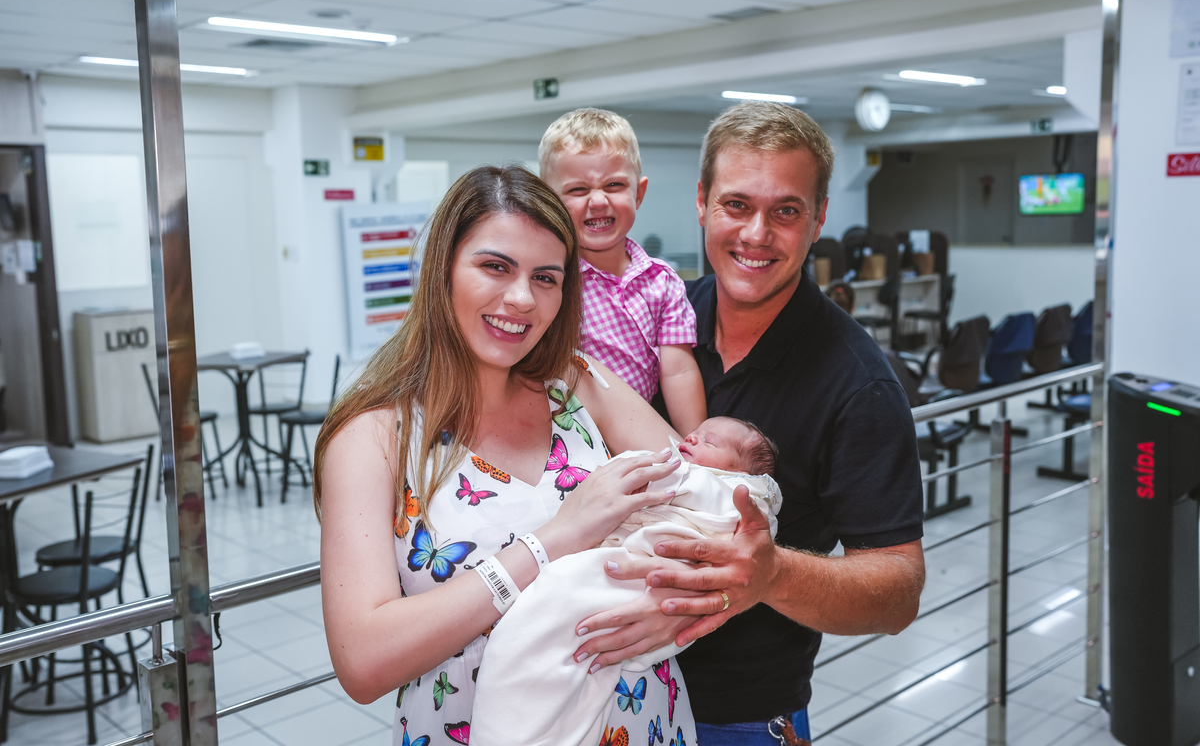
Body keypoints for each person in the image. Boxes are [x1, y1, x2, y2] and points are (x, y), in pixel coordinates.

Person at [571, 103, 927, 746]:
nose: (756, 234)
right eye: (736, 205)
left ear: (819, 218)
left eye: (786, 211)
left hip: (733, 718)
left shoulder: (859, 385)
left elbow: (898, 592)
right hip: (592, 688)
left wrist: (772, 575)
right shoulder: (658, 314)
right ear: (702, 203)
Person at [313, 165, 701, 746]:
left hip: (640, 722)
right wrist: (551, 541)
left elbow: (711, 510)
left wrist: (676, 606)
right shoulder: (374, 437)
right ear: (443, 269)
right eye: (495, 266)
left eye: (546, 277)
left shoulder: (579, 384)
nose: (522, 299)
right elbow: (363, 661)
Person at [471, 417, 782, 746]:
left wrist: (635, 463)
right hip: (647, 584)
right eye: (695, 433)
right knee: (586, 671)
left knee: (546, 618)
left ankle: (507, 733)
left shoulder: (724, 491)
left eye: (709, 441)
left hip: (640, 580)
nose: (691, 438)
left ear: (740, 473)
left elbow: (654, 479)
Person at [540, 108, 706, 435]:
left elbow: (679, 373)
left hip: (640, 432)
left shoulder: (663, 282)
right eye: (578, 190)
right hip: (565, 434)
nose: (598, 201)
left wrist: (694, 447)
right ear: (549, 200)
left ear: (638, 193)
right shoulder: (549, 279)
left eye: (614, 185)